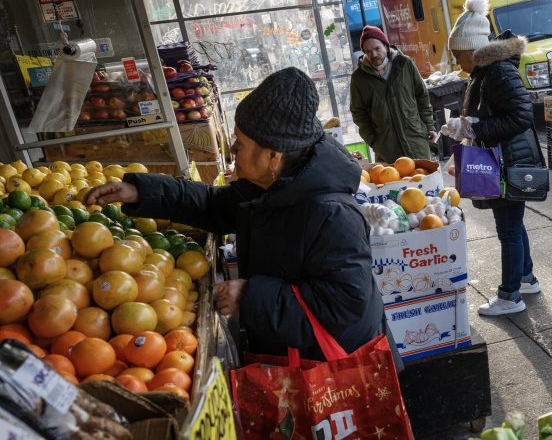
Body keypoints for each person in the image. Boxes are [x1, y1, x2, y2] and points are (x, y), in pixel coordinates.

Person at [85, 67, 398, 365]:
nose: (233, 148)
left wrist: (251, 296)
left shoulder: (331, 214)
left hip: (336, 368)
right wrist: (142, 192)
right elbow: (214, 205)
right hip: (295, 352)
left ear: (273, 156)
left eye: (240, 144)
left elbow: (346, 303)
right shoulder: (275, 187)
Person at [442, 0, 545, 316]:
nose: (457, 62)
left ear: (473, 51)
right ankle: (526, 278)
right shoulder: (486, 73)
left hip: (508, 161)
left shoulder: (498, 72)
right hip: (503, 159)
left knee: (509, 230)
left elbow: (521, 116)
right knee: (513, 226)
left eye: (458, 55)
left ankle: (510, 295)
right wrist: (465, 127)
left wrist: (476, 126)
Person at [350, 25, 438, 162]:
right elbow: (358, 113)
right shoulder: (359, 78)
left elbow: (422, 96)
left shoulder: (405, 64)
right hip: (387, 149)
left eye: (377, 48)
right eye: (368, 51)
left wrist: (429, 126)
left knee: (424, 179)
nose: (373, 54)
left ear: (385, 45)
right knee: (394, 181)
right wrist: (374, 141)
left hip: (415, 140)